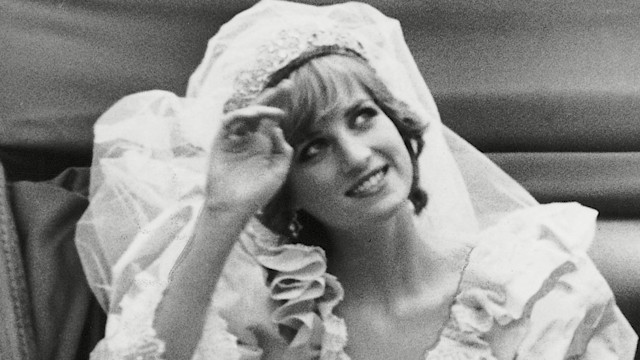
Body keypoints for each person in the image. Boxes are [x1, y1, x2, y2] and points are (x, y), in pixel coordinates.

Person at [75, 1, 637, 359]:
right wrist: (224, 212)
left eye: (363, 117)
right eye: (313, 147)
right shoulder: (272, 322)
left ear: (401, 121)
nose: (355, 154)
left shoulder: (530, 284)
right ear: (282, 184)